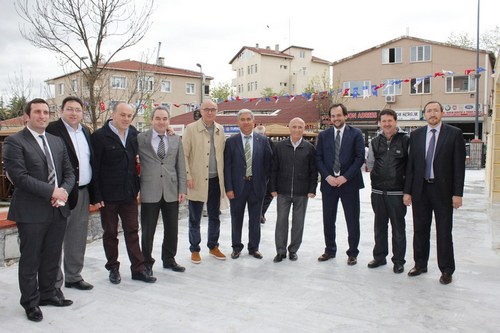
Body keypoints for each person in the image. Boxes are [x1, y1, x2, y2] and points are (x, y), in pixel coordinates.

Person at [3, 98, 75, 322]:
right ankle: (31, 303)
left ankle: (48, 294)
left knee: (52, 257)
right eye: (37, 112)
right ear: (27, 115)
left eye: (46, 112)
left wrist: (62, 192)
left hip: (58, 210)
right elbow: (20, 178)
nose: (42, 116)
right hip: (31, 212)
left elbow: (69, 173)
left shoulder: (56, 141)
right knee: (31, 259)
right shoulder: (15, 142)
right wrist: (52, 192)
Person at [91, 102, 156, 284]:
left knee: (133, 231)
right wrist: (96, 196)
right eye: (123, 115)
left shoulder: (134, 134)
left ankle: (138, 269)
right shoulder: (99, 137)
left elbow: (151, 140)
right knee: (110, 233)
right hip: (108, 196)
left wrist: (169, 133)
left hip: (129, 194)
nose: (126, 118)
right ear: (113, 115)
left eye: (129, 115)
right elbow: (94, 168)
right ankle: (113, 268)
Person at [403, 101, 466, 285]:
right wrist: (408, 191)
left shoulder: (454, 134)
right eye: (429, 111)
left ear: (441, 113)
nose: (432, 114)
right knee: (420, 230)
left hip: (443, 191)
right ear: (424, 114)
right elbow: (411, 166)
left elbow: (458, 167)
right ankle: (420, 264)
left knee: (444, 231)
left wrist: (457, 194)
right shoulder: (415, 135)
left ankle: (446, 269)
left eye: (435, 110)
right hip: (420, 190)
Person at [46, 96, 96, 292]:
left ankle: (74, 276)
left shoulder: (85, 131)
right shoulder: (52, 130)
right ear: (61, 110)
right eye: (70, 109)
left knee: (77, 236)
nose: (74, 113)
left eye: (77, 109)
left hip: (82, 192)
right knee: (56, 238)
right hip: (61, 193)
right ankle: (53, 282)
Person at [138, 106, 187, 274]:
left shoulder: (175, 139)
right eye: (158, 118)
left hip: (171, 190)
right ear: (151, 120)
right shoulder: (141, 138)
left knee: (172, 228)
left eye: (165, 119)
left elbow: (180, 165)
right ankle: (146, 262)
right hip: (149, 189)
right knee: (148, 230)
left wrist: (183, 188)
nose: (161, 122)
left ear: (169, 121)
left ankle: (169, 259)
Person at [316, 103, 365, 265]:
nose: (336, 118)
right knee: (328, 219)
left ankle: (353, 252)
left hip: (349, 184)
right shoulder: (323, 135)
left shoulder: (356, 134)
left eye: (338, 115)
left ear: (346, 116)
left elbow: (359, 158)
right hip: (329, 184)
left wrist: (345, 177)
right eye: (333, 116)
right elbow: (319, 158)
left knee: (352, 219)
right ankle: (330, 250)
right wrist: (328, 176)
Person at [224, 109, 272, 259]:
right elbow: (227, 167)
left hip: (256, 187)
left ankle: (254, 248)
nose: (245, 122)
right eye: (242, 119)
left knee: (255, 220)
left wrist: (265, 184)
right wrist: (229, 188)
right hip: (237, 188)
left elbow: (269, 164)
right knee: (236, 218)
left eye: (248, 119)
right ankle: (236, 247)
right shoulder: (231, 142)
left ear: (253, 121)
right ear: (238, 122)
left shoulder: (263, 140)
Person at [182, 99, 226, 264]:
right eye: (206, 109)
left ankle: (213, 246)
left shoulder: (220, 130)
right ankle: (195, 249)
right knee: (195, 218)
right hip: (197, 180)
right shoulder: (191, 129)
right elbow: (184, 155)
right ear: (200, 111)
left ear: (216, 111)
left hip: (215, 180)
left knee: (215, 216)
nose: (210, 112)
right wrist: (188, 176)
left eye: (213, 109)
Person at [366, 109, 409, 273]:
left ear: (395, 121)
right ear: (380, 123)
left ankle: (398, 261)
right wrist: (377, 177)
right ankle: (379, 257)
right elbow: (370, 163)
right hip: (378, 192)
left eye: (389, 120)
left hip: (397, 193)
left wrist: (407, 190)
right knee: (379, 226)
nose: (387, 124)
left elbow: (410, 166)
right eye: (383, 121)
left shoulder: (405, 140)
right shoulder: (375, 141)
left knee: (398, 228)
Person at [270, 117, 317, 263]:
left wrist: (312, 189)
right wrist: (272, 188)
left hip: (301, 192)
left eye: (300, 127)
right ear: (289, 128)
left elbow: (314, 171)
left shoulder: (309, 148)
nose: (297, 130)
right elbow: (273, 169)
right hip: (283, 192)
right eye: (294, 127)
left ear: (304, 129)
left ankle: (293, 250)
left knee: (298, 222)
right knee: (281, 221)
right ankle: (280, 251)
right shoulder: (279, 146)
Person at [254, 125, 274, 224]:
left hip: (267, 174)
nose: (260, 136)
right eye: (258, 134)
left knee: (268, 195)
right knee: (257, 196)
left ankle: (261, 213)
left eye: (261, 134)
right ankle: (258, 214)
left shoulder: (269, 142)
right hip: (255, 175)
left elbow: (273, 158)